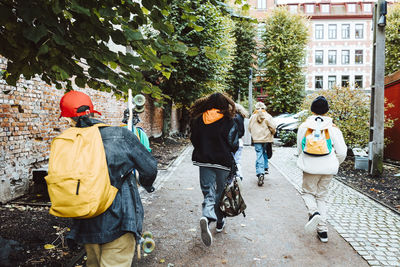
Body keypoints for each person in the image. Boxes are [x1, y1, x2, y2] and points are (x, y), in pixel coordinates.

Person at [58, 91, 157, 267]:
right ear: (93, 112)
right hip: (120, 217)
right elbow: (149, 168)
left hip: (86, 219)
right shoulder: (120, 136)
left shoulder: (66, 143)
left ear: (68, 119)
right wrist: (146, 184)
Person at [189, 92, 239, 247]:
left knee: (207, 191)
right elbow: (234, 143)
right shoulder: (229, 121)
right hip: (223, 162)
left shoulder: (198, 119)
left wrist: (204, 149)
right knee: (221, 192)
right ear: (224, 104)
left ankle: (207, 215)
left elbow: (194, 139)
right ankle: (219, 221)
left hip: (203, 161)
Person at [296, 96, 347, 243]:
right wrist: (334, 162)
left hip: (310, 167)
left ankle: (314, 213)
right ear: (327, 111)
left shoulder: (304, 127)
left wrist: (304, 160)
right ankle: (323, 230)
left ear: (312, 110)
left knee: (307, 193)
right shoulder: (333, 128)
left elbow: (300, 148)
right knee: (322, 197)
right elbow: (342, 152)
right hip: (328, 168)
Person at [248, 101, 276, 186]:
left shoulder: (253, 117)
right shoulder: (268, 116)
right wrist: (272, 133)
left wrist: (254, 135)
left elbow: (249, 128)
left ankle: (260, 173)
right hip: (266, 139)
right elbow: (273, 127)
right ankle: (265, 168)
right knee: (264, 152)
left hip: (257, 139)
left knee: (259, 154)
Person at [233, 103, 248, 180]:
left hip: (232, 141)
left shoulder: (233, 117)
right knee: (238, 160)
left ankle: (230, 179)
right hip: (239, 141)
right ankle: (239, 175)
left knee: (231, 161)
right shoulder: (241, 117)